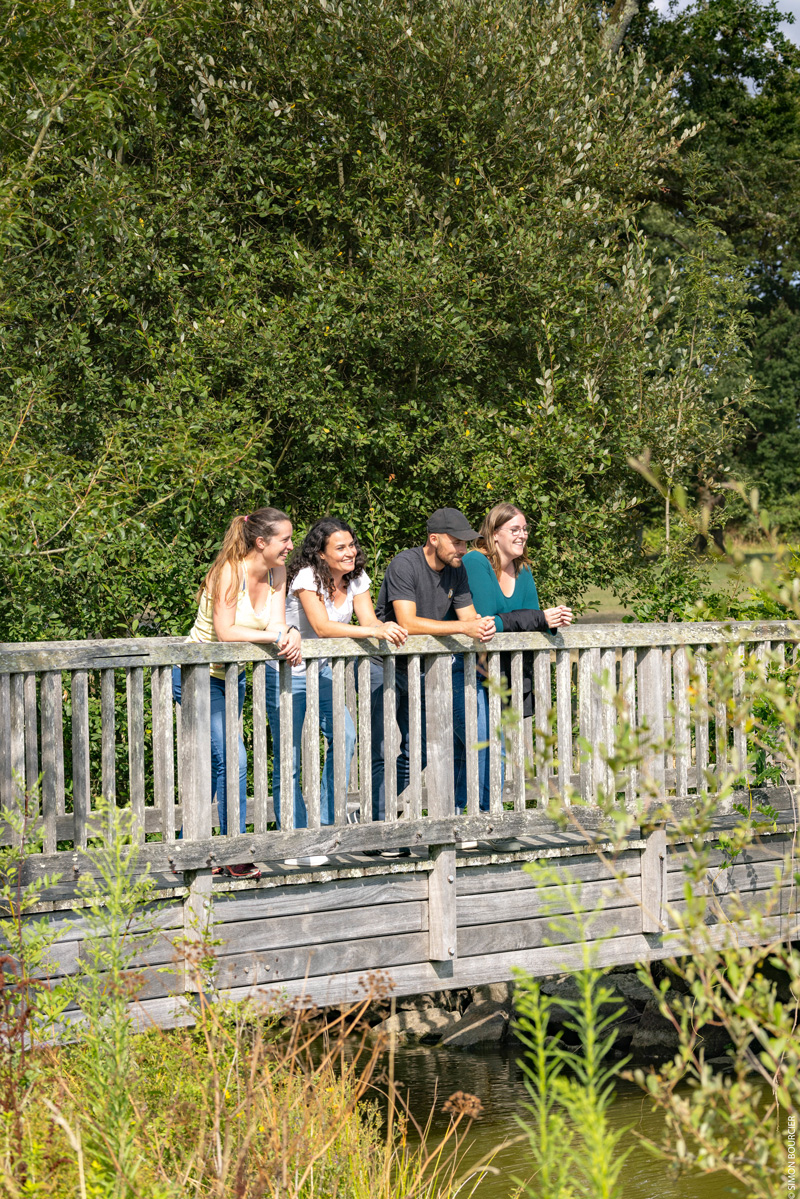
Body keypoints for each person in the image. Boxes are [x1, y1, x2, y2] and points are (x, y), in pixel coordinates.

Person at [173, 507, 302, 880]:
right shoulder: (228, 571)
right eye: (285, 540)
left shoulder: (278, 573)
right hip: (196, 676)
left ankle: (187, 847)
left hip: (232, 679)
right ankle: (233, 852)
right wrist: (276, 636)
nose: (291, 547)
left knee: (220, 763)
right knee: (234, 760)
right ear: (261, 542)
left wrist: (289, 633)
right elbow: (227, 632)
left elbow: (277, 623)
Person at [277, 517, 407, 860]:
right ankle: (295, 840)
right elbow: (321, 627)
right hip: (287, 672)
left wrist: (386, 628)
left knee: (346, 736)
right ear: (321, 554)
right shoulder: (306, 577)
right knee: (289, 757)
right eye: (341, 547)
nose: (350, 552)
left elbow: (369, 622)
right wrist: (375, 632)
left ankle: (323, 827)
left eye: (351, 545)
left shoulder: (356, 578)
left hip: (322, 673)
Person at [370, 508, 496, 851]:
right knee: (384, 748)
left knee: (418, 749)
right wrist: (465, 627)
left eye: (465, 542)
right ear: (434, 539)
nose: (462, 549)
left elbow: (470, 618)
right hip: (385, 664)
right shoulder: (405, 565)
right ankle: (376, 825)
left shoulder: (458, 571)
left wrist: (482, 627)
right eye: (456, 542)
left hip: (423, 669)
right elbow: (407, 622)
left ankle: (371, 816)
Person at [463, 502, 573, 810]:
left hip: (507, 672)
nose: (522, 535)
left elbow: (530, 621)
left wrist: (550, 620)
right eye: (514, 529)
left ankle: (488, 815)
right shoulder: (476, 562)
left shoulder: (523, 570)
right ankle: (479, 814)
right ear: (494, 534)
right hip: (473, 669)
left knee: (496, 745)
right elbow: (487, 620)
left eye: (525, 529)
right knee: (481, 745)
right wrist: (537, 618)